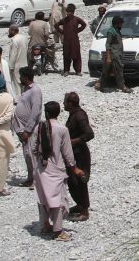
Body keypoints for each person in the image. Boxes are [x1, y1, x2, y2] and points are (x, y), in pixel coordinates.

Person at [32, 101, 83, 240]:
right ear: (58, 113)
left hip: (41, 169)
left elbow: (33, 148)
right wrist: (74, 168)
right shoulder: (62, 129)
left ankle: (45, 224)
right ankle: (58, 230)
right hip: (56, 170)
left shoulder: (38, 128)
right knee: (59, 200)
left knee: (43, 197)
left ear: (46, 113)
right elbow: (67, 153)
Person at [63, 92, 94, 221]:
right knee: (72, 182)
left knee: (80, 181)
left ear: (70, 103)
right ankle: (80, 204)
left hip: (80, 154)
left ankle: (85, 211)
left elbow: (89, 134)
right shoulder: (73, 114)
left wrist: (71, 142)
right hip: (73, 153)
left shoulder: (79, 116)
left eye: (65, 102)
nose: (63, 104)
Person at [13, 66, 42, 187]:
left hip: (30, 130)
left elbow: (35, 111)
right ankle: (30, 178)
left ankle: (36, 180)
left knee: (32, 155)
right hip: (22, 129)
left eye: (21, 76)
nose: (20, 78)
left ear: (26, 77)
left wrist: (28, 130)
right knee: (27, 155)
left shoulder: (35, 90)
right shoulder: (25, 89)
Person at [97, 16, 129, 93]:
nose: (121, 25)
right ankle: (123, 87)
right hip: (113, 55)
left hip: (117, 55)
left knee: (108, 71)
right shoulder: (111, 32)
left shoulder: (116, 31)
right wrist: (108, 57)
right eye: (120, 24)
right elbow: (108, 44)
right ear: (116, 24)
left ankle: (99, 84)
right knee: (118, 71)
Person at [58, 3, 87, 76]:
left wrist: (77, 30)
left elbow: (84, 25)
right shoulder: (64, 20)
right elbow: (56, 25)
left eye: (70, 12)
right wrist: (62, 32)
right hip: (66, 40)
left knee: (76, 55)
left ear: (73, 12)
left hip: (75, 40)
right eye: (67, 12)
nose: (68, 13)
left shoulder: (76, 19)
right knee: (66, 55)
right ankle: (66, 70)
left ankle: (78, 70)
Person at [7, 24, 29, 100]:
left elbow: (13, 55)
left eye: (9, 30)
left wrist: (11, 67)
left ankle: (17, 99)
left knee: (16, 84)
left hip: (17, 65)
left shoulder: (14, 40)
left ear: (13, 31)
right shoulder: (24, 38)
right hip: (24, 63)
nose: (8, 32)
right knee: (24, 82)